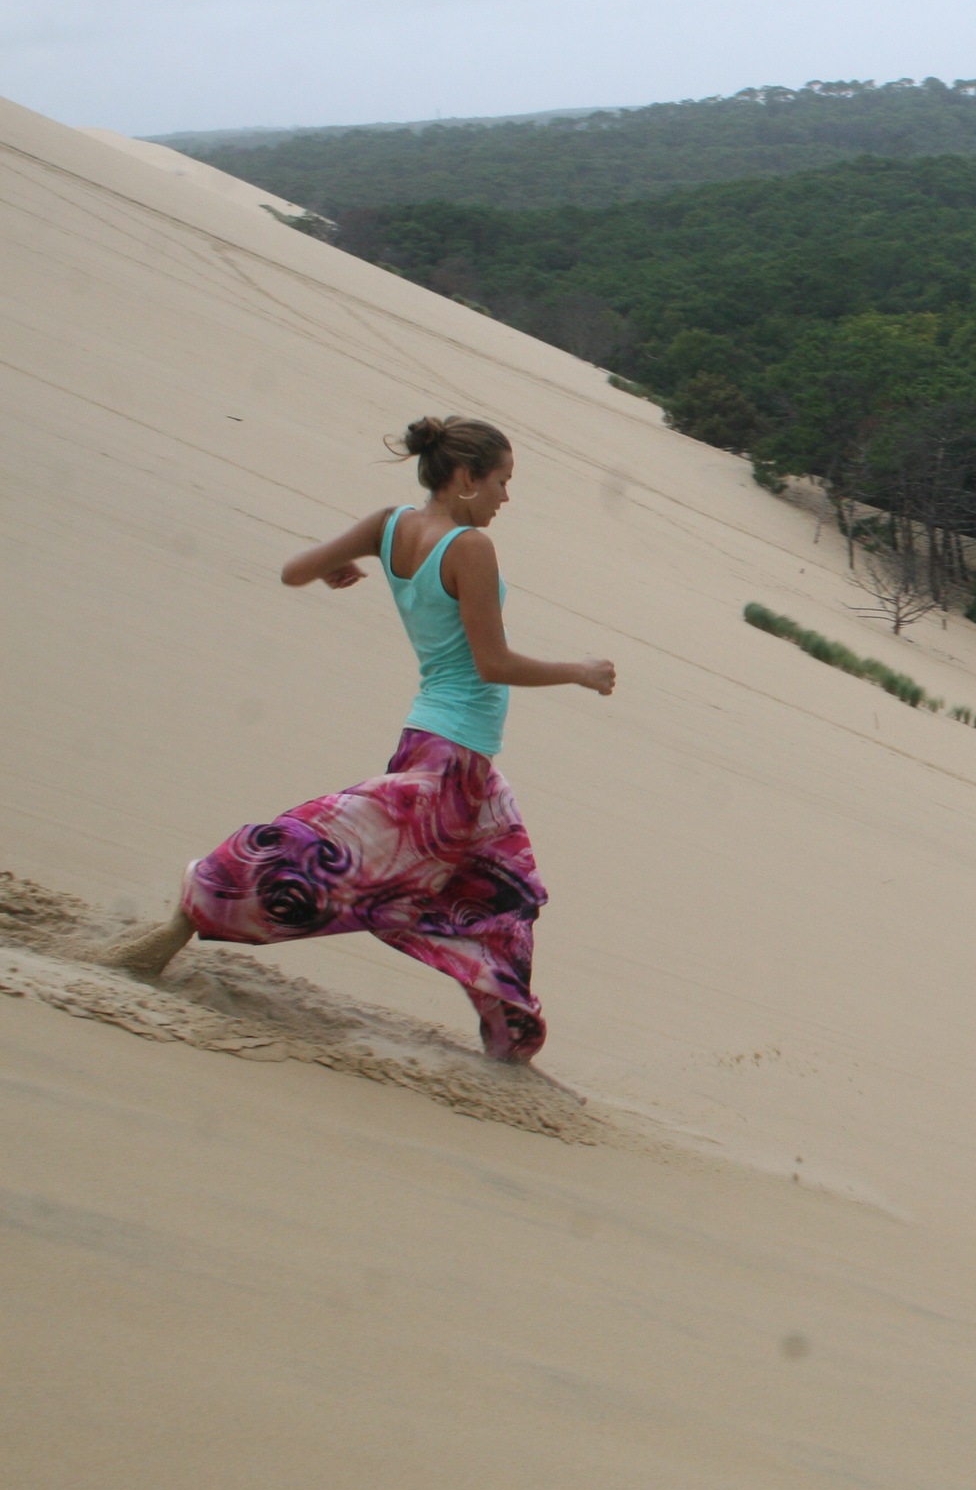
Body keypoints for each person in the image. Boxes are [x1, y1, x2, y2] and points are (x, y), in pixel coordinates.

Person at [103, 416, 615, 1062]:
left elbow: (295, 569)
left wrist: (333, 565)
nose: (505, 497)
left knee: (502, 895)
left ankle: (510, 1044)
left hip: (441, 748)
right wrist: (579, 671)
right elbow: (492, 662)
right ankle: (196, 907)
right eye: (501, 482)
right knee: (320, 850)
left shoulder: (389, 524)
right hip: (451, 763)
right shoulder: (470, 548)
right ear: (465, 478)